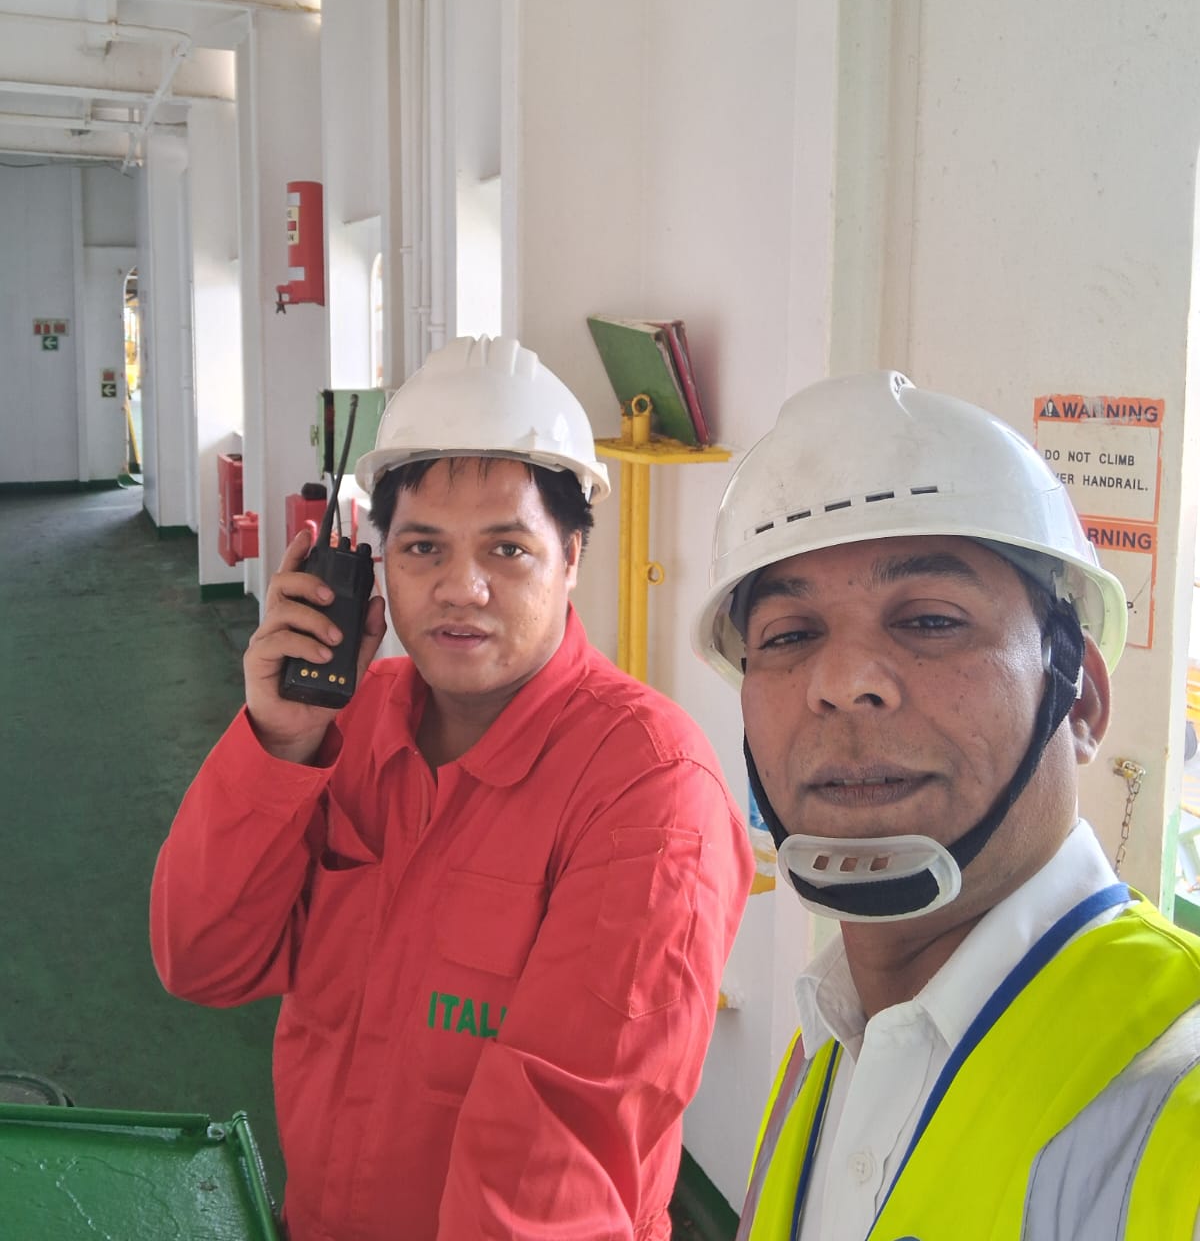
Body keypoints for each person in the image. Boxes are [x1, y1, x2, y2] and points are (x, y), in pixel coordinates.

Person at [152, 334, 753, 1241]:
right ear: (376, 564)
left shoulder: (649, 793)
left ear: (571, 557)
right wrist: (280, 744)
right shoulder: (345, 729)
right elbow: (203, 961)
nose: (460, 588)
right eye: (423, 547)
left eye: (507, 549)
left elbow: (556, 1173)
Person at [692, 370, 1200, 1240]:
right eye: (789, 635)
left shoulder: (1175, 1083)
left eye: (930, 620)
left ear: (1079, 701)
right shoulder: (828, 1040)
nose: (842, 683)